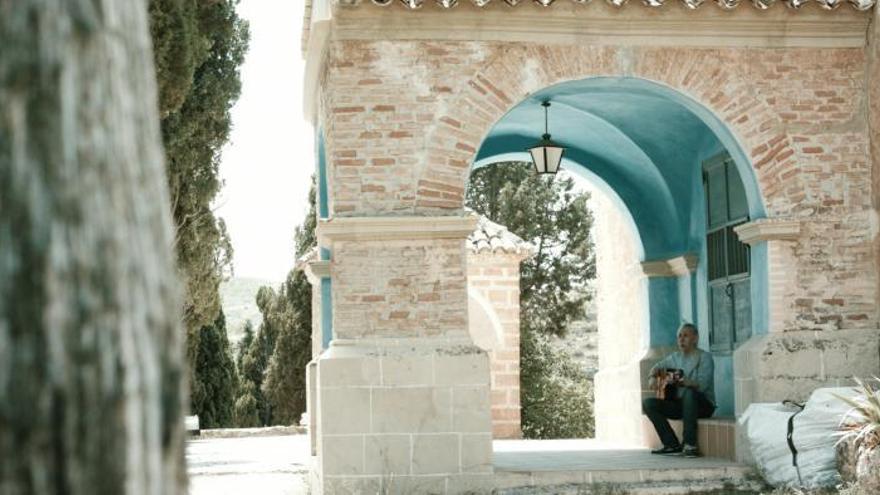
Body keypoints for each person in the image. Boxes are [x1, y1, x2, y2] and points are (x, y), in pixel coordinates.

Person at [642, 323, 715, 458]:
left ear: (695, 338)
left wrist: (686, 382)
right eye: (679, 336)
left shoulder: (705, 357)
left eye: (686, 336)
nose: (681, 339)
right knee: (648, 403)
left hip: (703, 405)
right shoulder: (675, 357)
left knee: (689, 392)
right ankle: (671, 445)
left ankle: (690, 445)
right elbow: (655, 368)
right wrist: (652, 377)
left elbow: (704, 386)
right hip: (681, 405)